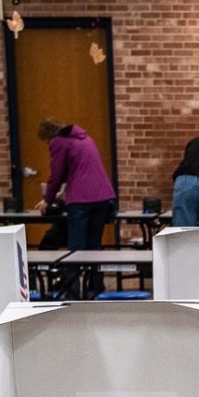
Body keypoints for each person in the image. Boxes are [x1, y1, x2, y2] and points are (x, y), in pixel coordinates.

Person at [34, 118, 117, 297]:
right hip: (103, 196)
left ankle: (73, 294)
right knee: (94, 247)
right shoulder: (84, 138)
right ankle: (97, 289)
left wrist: (48, 199)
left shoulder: (58, 142)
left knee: (75, 250)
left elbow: (56, 174)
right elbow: (82, 170)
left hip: (81, 200)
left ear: (48, 137)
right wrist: (63, 191)